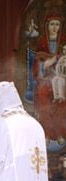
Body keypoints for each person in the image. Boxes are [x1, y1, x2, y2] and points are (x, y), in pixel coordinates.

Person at [33, 13, 66, 143]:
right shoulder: (42, 44)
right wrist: (45, 65)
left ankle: (60, 133)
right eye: (52, 24)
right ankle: (46, 133)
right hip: (45, 80)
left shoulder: (64, 42)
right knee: (43, 96)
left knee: (61, 102)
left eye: (57, 24)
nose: (54, 27)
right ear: (47, 26)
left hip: (62, 78)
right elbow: (36, 65)